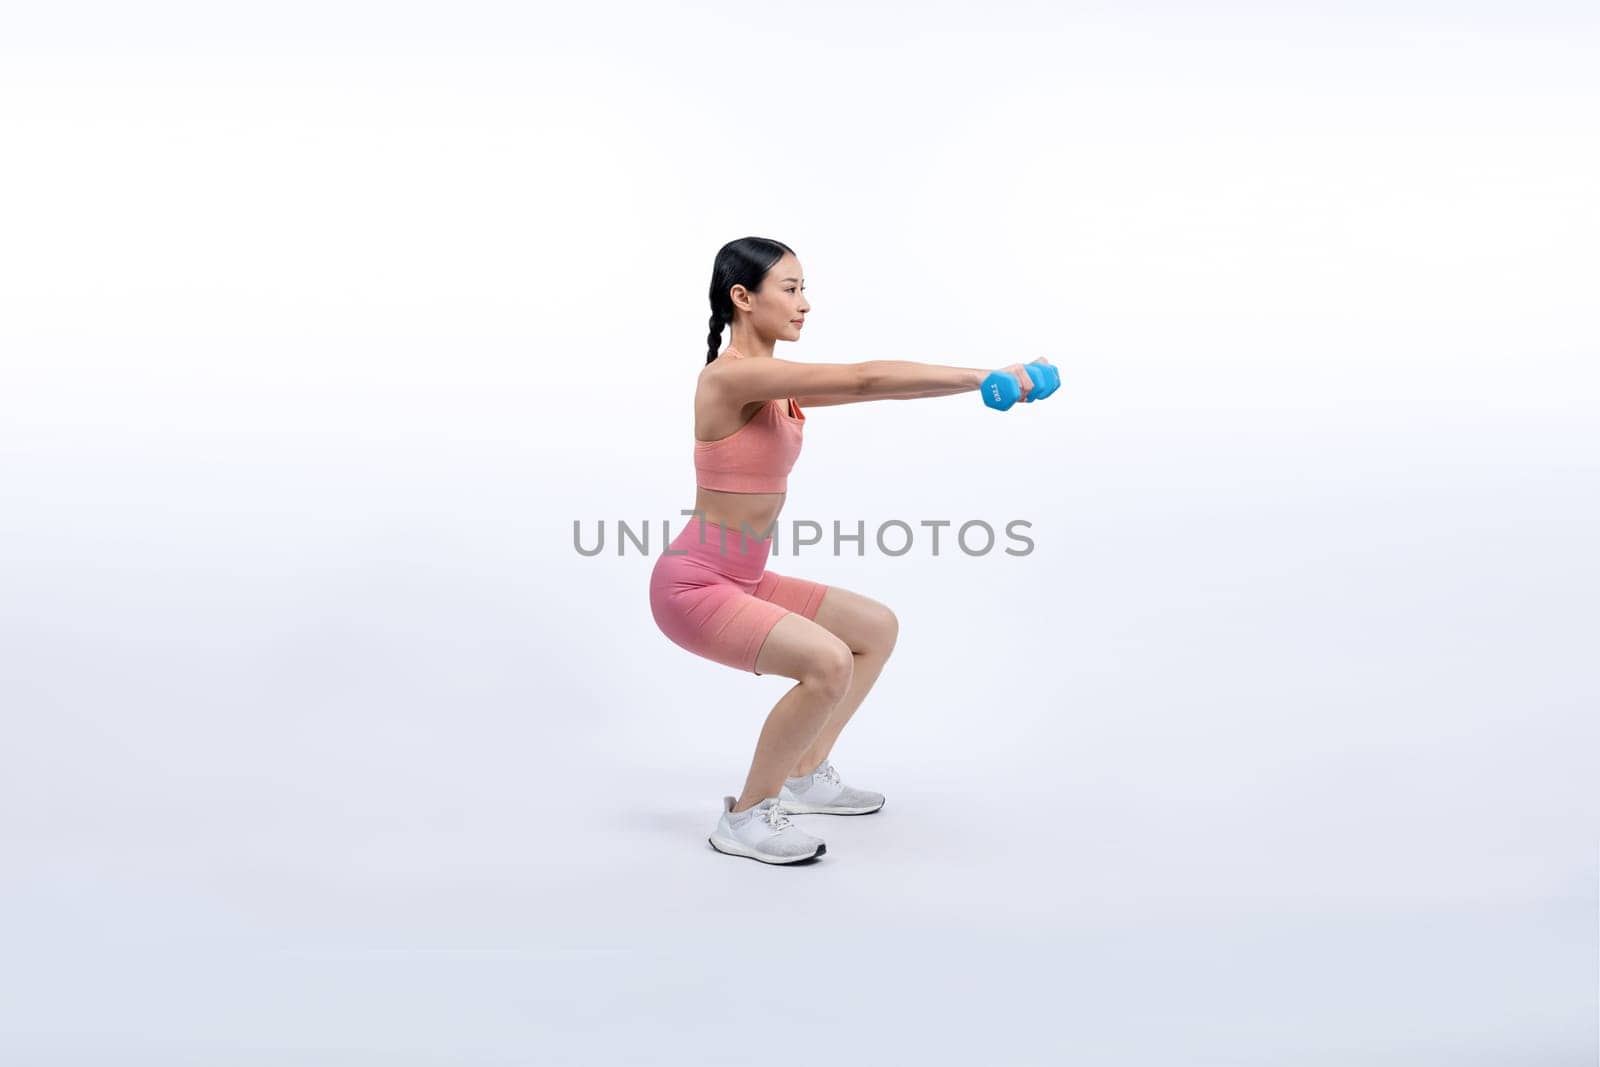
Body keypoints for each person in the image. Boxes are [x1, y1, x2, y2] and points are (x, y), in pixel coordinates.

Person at [648, 236, 1047, 865]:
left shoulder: (777, 385)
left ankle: (805, 774)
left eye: (805, 288)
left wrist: (984, 382)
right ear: (742, 298)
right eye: (790, 289)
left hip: (742, 577)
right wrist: (982, 376)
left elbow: (884, 388)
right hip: (694, 587)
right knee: (828, 662)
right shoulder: (733, 378)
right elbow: (864, 378)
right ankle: (748, 815)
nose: (804, 303)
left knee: (874, 629)